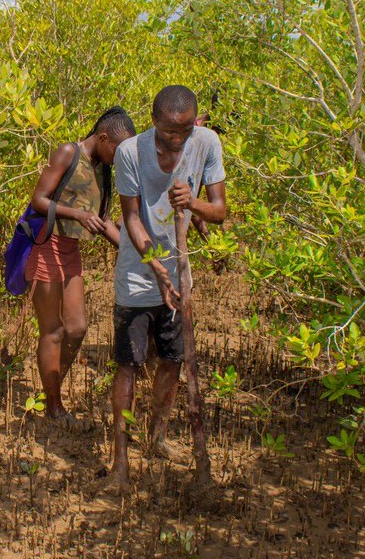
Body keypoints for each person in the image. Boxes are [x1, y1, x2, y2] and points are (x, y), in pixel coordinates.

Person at [107, 85, 226, 488]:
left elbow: (221, 210)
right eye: (167, 132)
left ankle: (157, 438)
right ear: (153, 119)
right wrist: (157, 270)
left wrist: (192, 204)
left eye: (183, 132)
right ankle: (119, 458)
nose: (175, 141)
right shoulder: (129, 153)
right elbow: (132, 219)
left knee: (173, 362)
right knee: (128, 364)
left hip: (181, 276)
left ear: (194, 123)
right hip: (138, 275)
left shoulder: (207, 142)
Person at [26, 106, 137, 421]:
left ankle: (50, 392)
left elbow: (102, 221)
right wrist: (77, 214)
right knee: (53, 331)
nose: (120, 158)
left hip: (71, 251)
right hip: (47, 246)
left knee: (76, 329)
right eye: (118, 150)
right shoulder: (67, 153)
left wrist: (138, 253)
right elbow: (38, 199)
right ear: (103, 138)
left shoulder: (104, 169)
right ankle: (54, 405)